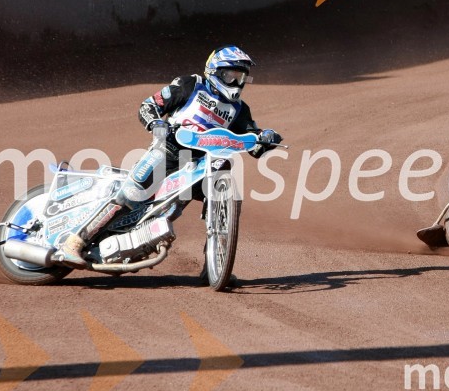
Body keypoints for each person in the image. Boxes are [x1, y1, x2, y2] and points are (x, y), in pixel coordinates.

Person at [56, 45, 282, 267]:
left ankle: (214, 265)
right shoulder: (190, 85)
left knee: (227, 199)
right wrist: (156, 124)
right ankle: (75, 242)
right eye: (230, 75)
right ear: (215, 72)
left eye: (240, 77)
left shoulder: (240, 110)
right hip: (169, 151)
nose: (235, 82)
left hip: (202, 163)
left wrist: (266, 138)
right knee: (131, 193)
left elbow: (252, 140)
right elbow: (149, 105)